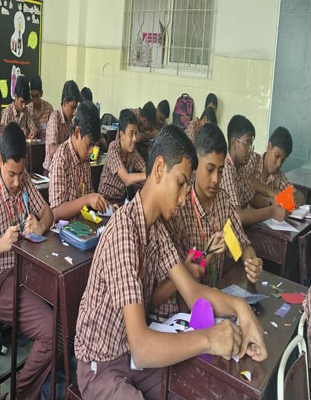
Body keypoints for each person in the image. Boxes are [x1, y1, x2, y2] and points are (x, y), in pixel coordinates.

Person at [74, 125, 267, 400]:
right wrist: (210, 338)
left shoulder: (156, 228)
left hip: (132, 355)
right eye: (180, 183)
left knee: (196, 388)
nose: (183, 197)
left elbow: (192, 290)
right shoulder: (123, 233)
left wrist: (242, 309)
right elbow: (142, 347)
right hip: (103, 365)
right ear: (159, 168)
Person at [0, 122, 54, 400]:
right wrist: (1, 245)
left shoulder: (24, 180)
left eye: (21, 173)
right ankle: (18, 394)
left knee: (65, 308)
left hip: (28, 273)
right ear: (0, 161)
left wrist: (40, 225)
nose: (16, 182)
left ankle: (45, 382)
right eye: (11, 174)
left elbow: (48, 212)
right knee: (51, 331)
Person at [154, 123, 263, 318]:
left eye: (220, 171)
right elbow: (183, 276)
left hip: (215, 297)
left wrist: (251, 262)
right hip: (184, 308)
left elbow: (241, 245)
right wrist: (209, 253)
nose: (215, 179)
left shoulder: (223, 202)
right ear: (195, 167)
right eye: (210, 169)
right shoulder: (180, 208)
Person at [49, 101, 111, 221]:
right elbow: (56, 212)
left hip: (83, 224)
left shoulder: (84, 158)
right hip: (65, 229)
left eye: (94, 145)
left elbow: (89, 193)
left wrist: (106, 205)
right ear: (77, 133)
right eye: (89, 145)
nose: (91, 151)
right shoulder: (61, 158)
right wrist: (87, 199)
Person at [221, 115, 287, 226]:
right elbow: (239, 217)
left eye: (251, 145)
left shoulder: (241, 168)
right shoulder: (226, 169)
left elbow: (252, 198)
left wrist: (272, 202)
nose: (250, 150)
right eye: (247, 143)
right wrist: (272, 211)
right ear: (234, 143)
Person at [246, 126, 305, 207]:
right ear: (269, 147)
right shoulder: (252, 159)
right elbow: (245, 179)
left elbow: (299, 196)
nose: (278, 164)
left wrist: (295, 199)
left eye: (282, 161)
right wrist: (272, 192)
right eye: (277, 156)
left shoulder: (279, 176)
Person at [98, 109, 146, 206]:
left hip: (120, 201)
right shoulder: (113, 149)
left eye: (136, 133)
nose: (135, 139)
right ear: (121, 135)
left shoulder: (132, 151)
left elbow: (145, 168)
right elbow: (127, 179)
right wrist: (149, 175)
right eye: (131, 134)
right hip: (105, 202)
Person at [42, 80, 81, 174]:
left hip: (65, 169)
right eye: (72, 107)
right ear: (64, 102)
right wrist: (71, 144)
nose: (74, 112)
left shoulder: (69, 122)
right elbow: (52, 150)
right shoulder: (55, 118)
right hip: (51, 171)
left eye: (76, 108)